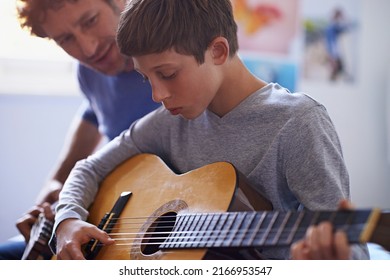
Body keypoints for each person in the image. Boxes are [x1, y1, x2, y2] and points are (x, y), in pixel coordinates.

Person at [51, 0, 369, 260]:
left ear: (217, 51)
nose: (157, 96)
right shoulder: (169, 122)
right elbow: (89, 167)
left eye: (168, 74)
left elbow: (354, 253)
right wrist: (67, 219)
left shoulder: (298, 123)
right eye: (147, 78)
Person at [0, 0, 160, 260]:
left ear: (121, 3)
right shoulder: (89, 74)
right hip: (107, 222)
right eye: (65, 39)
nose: (89, 49)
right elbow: (67, 168)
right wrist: (48, 202)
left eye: (90, 21)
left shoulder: (176, 62)